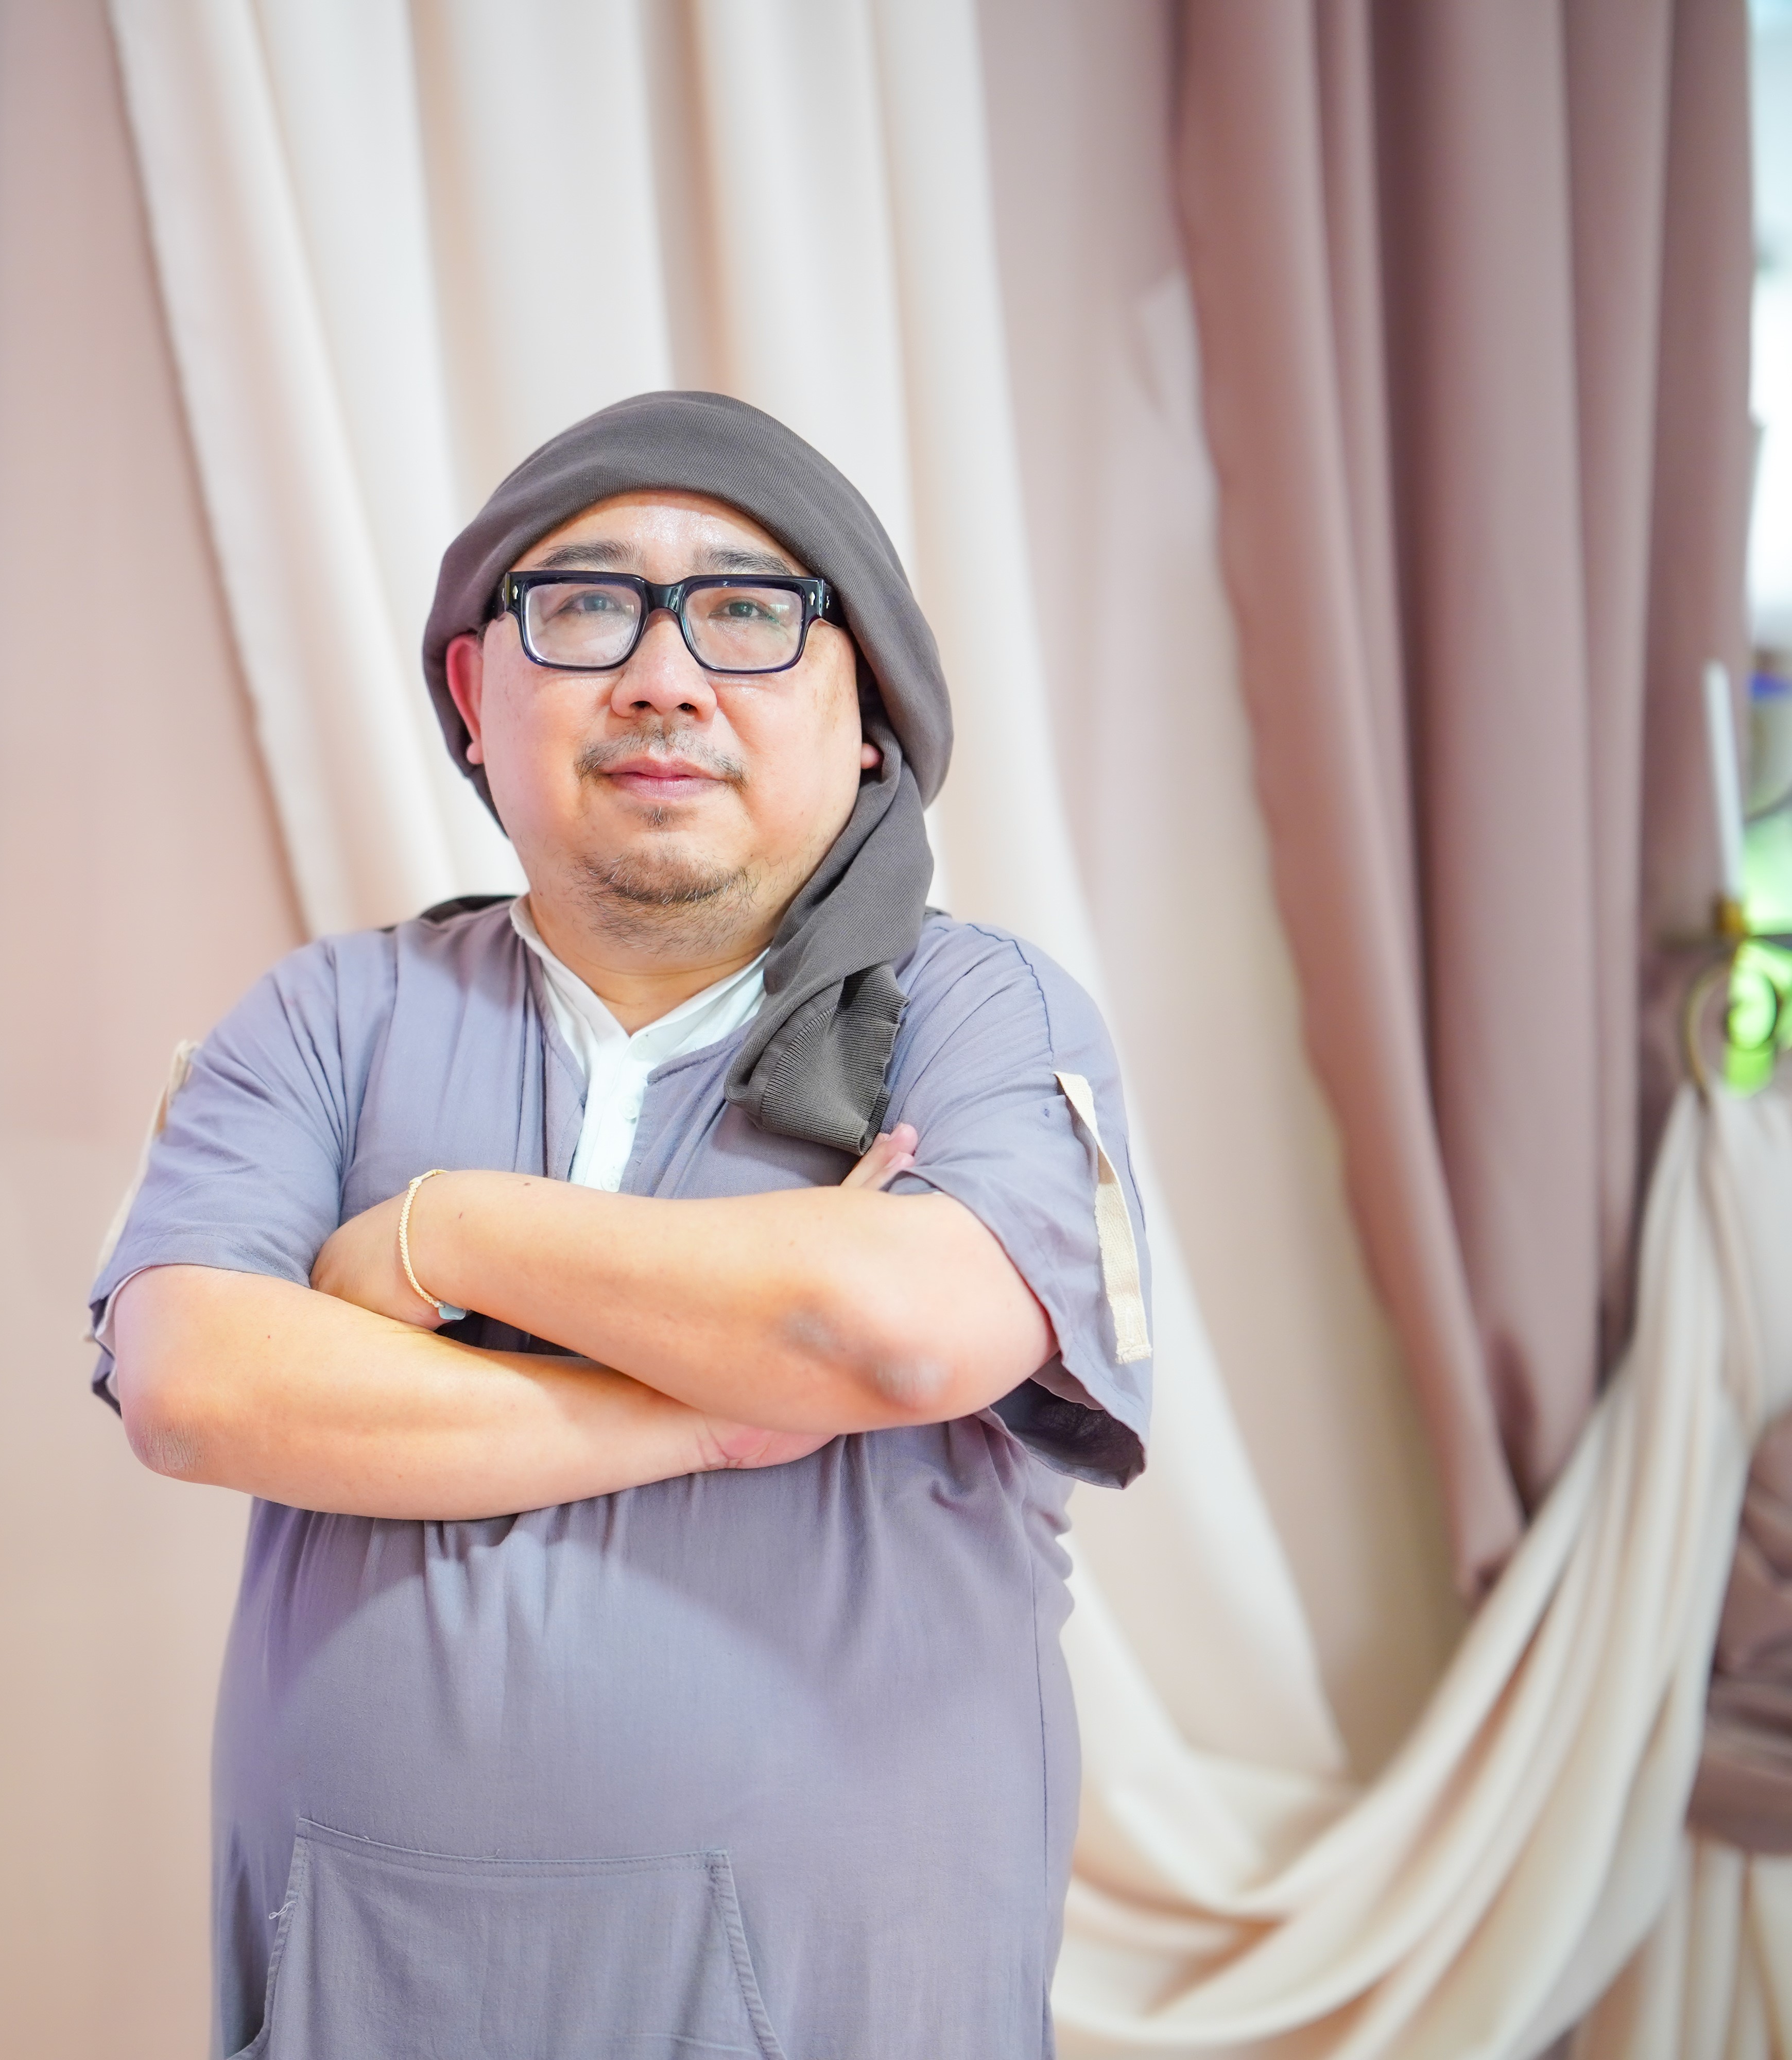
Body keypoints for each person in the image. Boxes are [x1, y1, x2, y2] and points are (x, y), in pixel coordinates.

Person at [90, 391, 1155, 2058]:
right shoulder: (328, 1018)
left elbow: (897, 1329)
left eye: (748, 612)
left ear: (866, 711)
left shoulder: (978, 1016)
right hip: (360, 1997)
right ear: (475, 694)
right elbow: (193, 1382)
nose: (664, 676)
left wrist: (445, 1232)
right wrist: (706, 1419)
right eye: (587, 609)